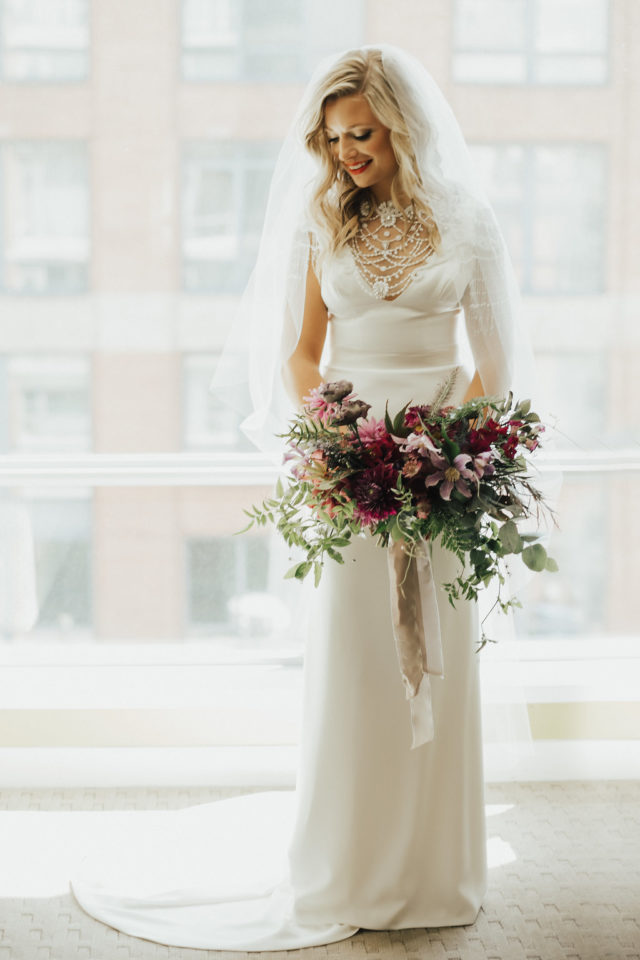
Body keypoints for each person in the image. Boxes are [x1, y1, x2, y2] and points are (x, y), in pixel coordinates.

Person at [69, 44, 545, 951]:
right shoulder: (322, 223)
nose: (345, 155)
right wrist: (340, 443)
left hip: (445, 473)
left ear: (401, 127)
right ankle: (345, 869)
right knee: (356, 669)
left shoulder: (470, 220)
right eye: (332, 139)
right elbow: (296, 354)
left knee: (442, 663)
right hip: (351, 469)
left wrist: (443, 454)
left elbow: (495, 367)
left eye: (360, 135)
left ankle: (434, 874)